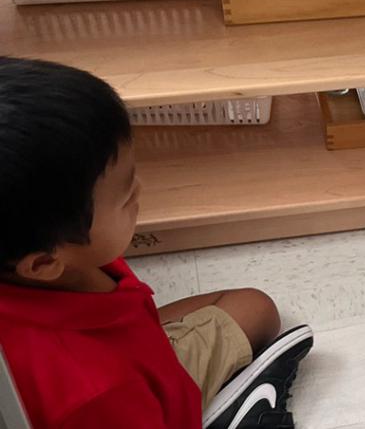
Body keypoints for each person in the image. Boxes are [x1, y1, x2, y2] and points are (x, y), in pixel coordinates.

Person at [0, 56, 314, 427]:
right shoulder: (100, 391)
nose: (140, 190)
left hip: (122, 353)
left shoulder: (39, 260)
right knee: (258, 310)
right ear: (43, 264)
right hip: (139, 399)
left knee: (252, 307)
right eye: (126, 196)